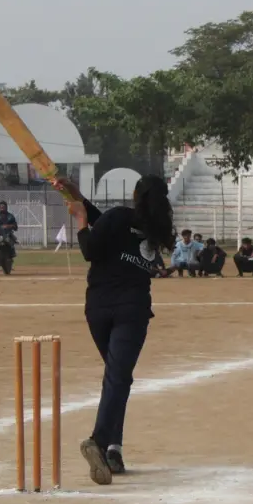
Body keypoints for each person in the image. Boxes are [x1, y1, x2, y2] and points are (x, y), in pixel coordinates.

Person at [53, 174, 175, 485]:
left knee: (117, 378)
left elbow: (91, 247)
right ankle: (100, 442)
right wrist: (79, 200)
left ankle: (112, 450)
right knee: (118, 378)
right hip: (131, 310)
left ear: (135, 194)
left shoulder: (121, 216)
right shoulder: (156, 229)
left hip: (98, 307)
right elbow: (103, 224)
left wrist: (80, 219)